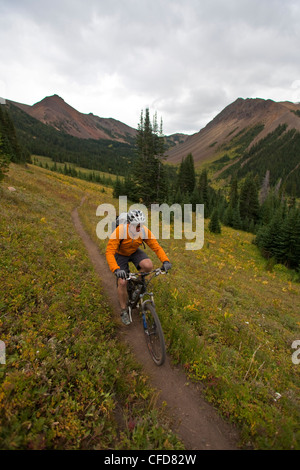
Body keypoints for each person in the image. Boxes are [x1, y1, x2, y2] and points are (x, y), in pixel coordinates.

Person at [105, 209, 172, 325]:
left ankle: (137, 284)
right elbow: (110, 252)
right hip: (120, 254)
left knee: (148, 266)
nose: (139, 228)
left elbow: (156, 247)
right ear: (129, 224)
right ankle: (124, 310)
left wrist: (165, 261)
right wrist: (116, 269)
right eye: (137, 225)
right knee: (122, 282)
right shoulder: (120, 231)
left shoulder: (144, 232)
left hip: (134, 251)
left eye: (141, 225)